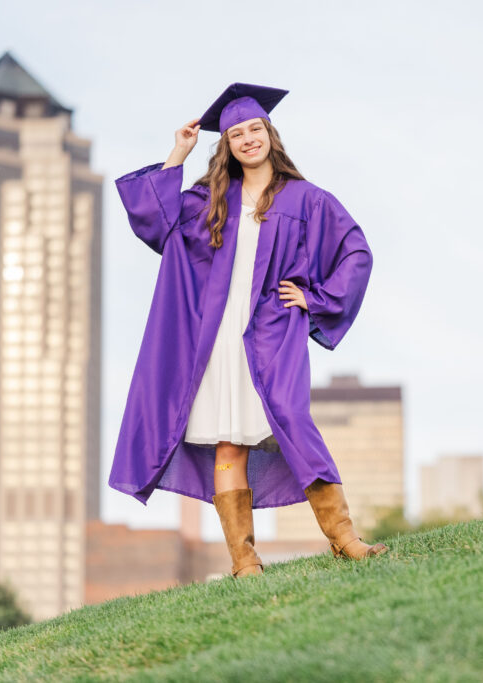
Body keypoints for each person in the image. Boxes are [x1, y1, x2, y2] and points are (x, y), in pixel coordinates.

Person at [109, 83, 389, 578]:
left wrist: (315, 298)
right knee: (228, 442)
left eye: (254, 129)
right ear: (228, 146)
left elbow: (356, 252)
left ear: (270, 135)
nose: (246, 138)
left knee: (293, 422)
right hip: (215, 337)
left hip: (272, 330)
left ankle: (345, 539)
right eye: (236, 133)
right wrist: (178, 151)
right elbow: (154, 220)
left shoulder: (307, 199)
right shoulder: (207, 198)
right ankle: (244, 561)